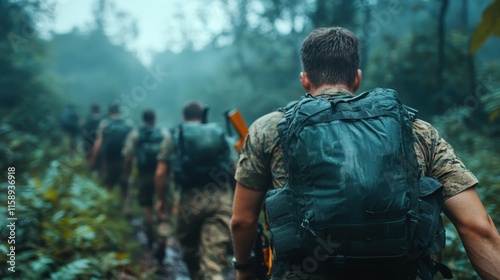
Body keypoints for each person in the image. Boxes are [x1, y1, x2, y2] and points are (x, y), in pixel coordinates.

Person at [230, 26, 500, 280]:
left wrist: (243, 271)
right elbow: (477, 228)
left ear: (304, 79)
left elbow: (242, 221)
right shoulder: (415, 129)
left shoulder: (268, 129)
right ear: (357, 78)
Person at [155, 100, 235, 280]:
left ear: (184, 117)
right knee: (213, 261)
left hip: (189, 203)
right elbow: (235, 168)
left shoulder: (176, 135)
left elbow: (160, 173)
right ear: (202, 116)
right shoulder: (218, 133)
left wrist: (161, 199)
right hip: (220, 199)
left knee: (190, 252)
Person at [122, 109, 170, 250]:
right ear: (154, 119)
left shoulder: (135, 134)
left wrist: (128, 172)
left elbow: (128, 156)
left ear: (143, 119)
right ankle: (162, 236)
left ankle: (150, 235)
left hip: (143, 175)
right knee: (163, 204)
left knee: (147, 205)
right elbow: (170, 156)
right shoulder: (164, 133)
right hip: (161, 175)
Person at [89, 103, 134, 210]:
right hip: (123, 158)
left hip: (108, 159)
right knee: (125, 183)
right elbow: (131, 144)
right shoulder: (128, 124)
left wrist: (93, 158)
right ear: (119, 111)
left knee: (108, 181)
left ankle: (107, 207)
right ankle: (127, 207)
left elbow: (98, 142)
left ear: (109, 112)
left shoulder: (105, 124)